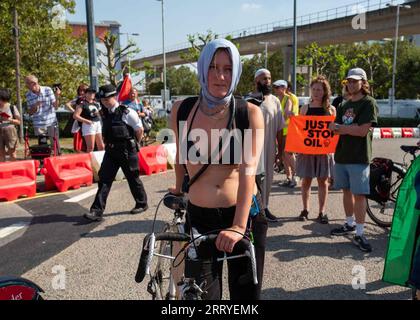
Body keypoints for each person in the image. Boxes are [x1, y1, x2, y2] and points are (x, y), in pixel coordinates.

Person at [168, 39, 267, 300]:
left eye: (228, 68)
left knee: (244, 300)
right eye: (213, 67)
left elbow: (248, 173)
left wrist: (237, 227)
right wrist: (177, 190)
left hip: (243, 215)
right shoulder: (182, 110)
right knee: (200, 297)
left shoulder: (249, 113)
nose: (220, 76)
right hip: (199, 218)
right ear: (202, 69)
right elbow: (180, 156)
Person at [329, 68, 378, 252]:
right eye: (348, 81)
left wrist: (341, 128)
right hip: (341, 155)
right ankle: (349, 224)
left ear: (363, 83)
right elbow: (336, 128)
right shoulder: (343, 104)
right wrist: (342, 127)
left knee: (359, 195)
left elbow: (363, 131)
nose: (350, 84)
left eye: (354, 81)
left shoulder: (369, 103)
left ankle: (360, 232)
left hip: (359, 157)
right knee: (346, 192)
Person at [84, 84, 148, 221]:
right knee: (104, 180)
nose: (105, 102)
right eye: (102, 99)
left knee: (133, 178)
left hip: (126, 150)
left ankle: (142, 203)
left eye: (107, 99)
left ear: (115, 97)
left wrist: (133, 144)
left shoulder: (127, 112)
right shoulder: (104, 113)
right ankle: (96, 211)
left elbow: (139, 130)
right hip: (111, 151)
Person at [246, 69, 285, 223]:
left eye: (269, 78)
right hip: (251, 149)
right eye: (264, 79)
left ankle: (265, 207)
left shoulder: (275, 101)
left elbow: (280, 129)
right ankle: (249, 209)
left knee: (267, 179)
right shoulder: (248, 100)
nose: (267, 81)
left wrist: (280, 152)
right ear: (256, 81)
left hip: (269, 149)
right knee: (250, 179)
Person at [296, 76, 336, 224]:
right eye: (314, 89)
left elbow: (334, 133)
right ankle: (305, 209)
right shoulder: (305, 109)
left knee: (323, 182)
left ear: (325, 91)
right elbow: (300, 130)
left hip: (324, 151)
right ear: (310, 91)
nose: (316, 92)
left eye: (319, 89)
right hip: (307, 150)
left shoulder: (331, 110)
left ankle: (322, 212)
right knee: (306, 181)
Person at [24, 75, 61, 154]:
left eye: (27, 84)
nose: (26, 86)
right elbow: (30, 112)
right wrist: (35, 106)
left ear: (34, 83)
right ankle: (44, 162)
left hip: (51, 121)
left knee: (55, 145)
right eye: (26, 84)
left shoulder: (47, 90)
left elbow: (56, 107)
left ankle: (58, 161)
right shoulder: (28, 95)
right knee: (42, 147)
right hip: (39, 124)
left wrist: (57, 96)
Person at [273, 80, 298, 188]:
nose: (275, 89)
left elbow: (287, 113)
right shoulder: (278, 99)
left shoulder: (288, 98)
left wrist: (278, 121)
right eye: (275, 87)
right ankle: (288, 177)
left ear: (284, 88)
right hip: (282, 130)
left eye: (277, 87)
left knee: (288, 153)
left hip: (290, 130)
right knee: (283, 155)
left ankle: (296, 176)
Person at [72, 87, 104, 153]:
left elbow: (100, 114)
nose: (92, 94)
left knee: (101, 146)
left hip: (97, 124)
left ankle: (102, 162)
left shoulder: (96, 103)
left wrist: (99, 115)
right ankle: (89, 162)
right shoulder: (82, 103)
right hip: (88, 125)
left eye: (93, 93)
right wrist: (86, 121)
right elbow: (75, 116)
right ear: (86, 94)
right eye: (89, 93)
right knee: (90, 147)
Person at [0, 88, 21, 162]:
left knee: (12, 154)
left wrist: (9, 119)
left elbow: (19, 122)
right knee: (1, 154)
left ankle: (14, 170)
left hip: (10, 131)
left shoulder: (12, 107)